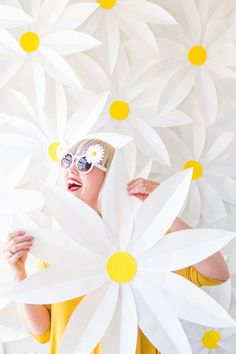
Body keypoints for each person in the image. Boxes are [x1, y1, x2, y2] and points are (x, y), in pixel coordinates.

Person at [2, 138, 230, 354]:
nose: (72, 169)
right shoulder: (57, 248)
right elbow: (42, 331)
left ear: (111, 175)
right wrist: (19, 274)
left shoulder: (142, 242)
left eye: (85, 163)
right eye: (68, 161)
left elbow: (217, 273)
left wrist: (164, 210)